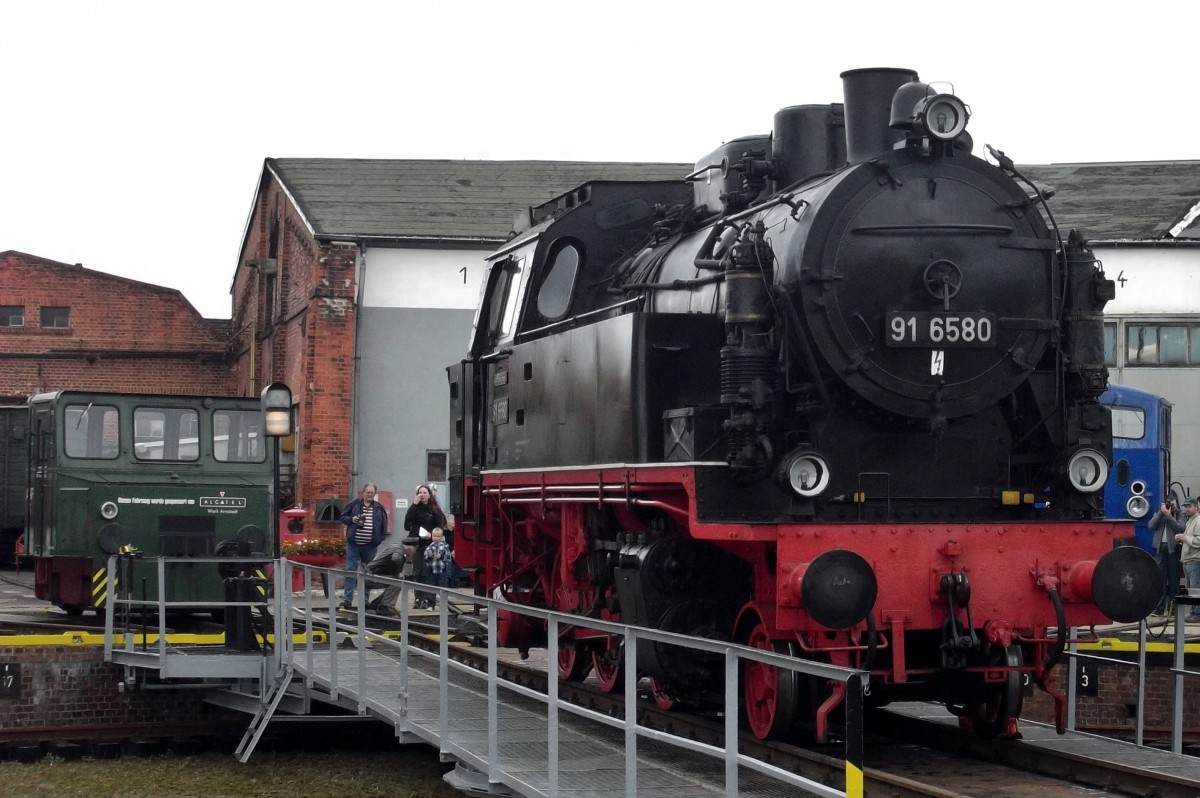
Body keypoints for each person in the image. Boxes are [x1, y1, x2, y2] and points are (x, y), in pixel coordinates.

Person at [338, 482, 389, 610]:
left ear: (375, 493)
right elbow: (343, 517)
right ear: (364, 492)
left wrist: (379, 539)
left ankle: (365, 600)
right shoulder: (354, 504)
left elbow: (384, 524)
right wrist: (352, 520)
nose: (370, 494)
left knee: (368, 573)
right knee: (351, 570)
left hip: (370, 546)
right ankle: (347, 600)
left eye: (372, 492)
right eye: (368, 492)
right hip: (353, 544)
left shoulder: (379, 508)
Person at [404, 484, 445, 609]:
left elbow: (440, 526)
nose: (422, 495)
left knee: (428, 573)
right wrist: (413, 505)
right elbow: (407, 523)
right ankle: (418, 598)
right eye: (419, 493)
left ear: (429, 495)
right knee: (417, 573)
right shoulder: (414, 508)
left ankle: (429, 599)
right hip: (417, 543)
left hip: (430, 544)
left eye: (424, 492)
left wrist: (431, 535)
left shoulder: (434, 510)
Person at [1149, 492, 1185, 615]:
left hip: (1173, 550)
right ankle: (1159, 608)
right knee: (1161, 579)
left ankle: (1173, 608)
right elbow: (1151, 525)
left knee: (1174, 579)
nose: (1171, 504)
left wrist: (1169, 516)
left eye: (1173, 502)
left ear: (1177, 502)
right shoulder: (1160, 514)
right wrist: (1161, 513)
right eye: (1169, 502)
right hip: (1159, 550)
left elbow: (1180, 528)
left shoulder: (1180, 514)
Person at [1173, 496, 1200, 623]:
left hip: (1195, 560)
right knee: (1190, 589)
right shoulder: (1190, 521)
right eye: (1186, 507)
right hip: (1188, 560)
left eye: (1189, 506)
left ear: (1196, 507)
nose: (1187, 509)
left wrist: (1184, 538)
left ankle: (1198, 614)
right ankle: (1194, 612)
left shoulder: (1198, 521)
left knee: (1196, 588)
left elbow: (1199, 541)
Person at [423, 527, 453, 608]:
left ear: (441, 537)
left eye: (438, 536)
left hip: (442, 570)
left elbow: (448, 558)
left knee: (442, 587)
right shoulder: (429, 546)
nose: (436, 538)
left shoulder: (445, 546)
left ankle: (444, 605)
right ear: (432, 536)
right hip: (432, 570)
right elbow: (425, 557)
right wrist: (429, 557)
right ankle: (431, 605)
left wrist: (441, 556)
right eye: (434, 536)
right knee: (431, 588)